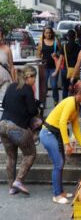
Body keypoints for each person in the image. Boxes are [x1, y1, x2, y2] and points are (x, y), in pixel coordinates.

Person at [40, 80, 81, 204]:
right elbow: (62, 122)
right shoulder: (71, 103)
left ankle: (60, 192)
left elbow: (76, 127)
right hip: (48, 133)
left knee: (60, 163)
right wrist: (67, 144)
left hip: (55, 134)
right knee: (59, 163)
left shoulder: (77, 106)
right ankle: (56, 195)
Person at [0, 66, 39, 195]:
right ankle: (19, 181)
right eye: (34, 77)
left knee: (11, 157)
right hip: (15, 128)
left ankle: (11, 187)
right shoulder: (27, 89)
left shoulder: (12, 86)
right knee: (30, 154)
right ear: (29, 77)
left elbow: (4, 104)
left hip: (3, 125)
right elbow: (33, 111)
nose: (35, 80)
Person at [37, 26, 61, 106]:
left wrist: (56, 54)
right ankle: (43, 102)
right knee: (44, 86)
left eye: (50, 33)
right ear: (44, 34)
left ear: (52, 33)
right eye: (46, 33)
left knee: (54, 85)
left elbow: (61, 54)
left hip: (54, 67)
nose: (48, 34)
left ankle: (56, 100)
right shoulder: (41, 43)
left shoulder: (56, 42)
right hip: (44, 68)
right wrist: (40, 57)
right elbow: (38, 55)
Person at [55, 29, 81, 99]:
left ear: (67, 37)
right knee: (75, 89)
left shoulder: (64, 47)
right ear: (75, 37)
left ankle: (65, 103)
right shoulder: (79, 47)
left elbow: (60, 60)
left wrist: (56, 71)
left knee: (65, 89)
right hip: (76, 71)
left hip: (65, 71)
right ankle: (74, 104)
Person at [0, 27, 15, 101]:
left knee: (3, 101)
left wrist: (14, 81)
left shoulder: (7, 49)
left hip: (5, 80)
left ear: (2, 37)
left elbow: (11, 67)